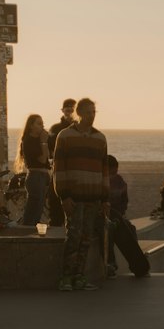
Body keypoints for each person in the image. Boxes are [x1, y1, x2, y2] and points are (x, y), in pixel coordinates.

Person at [52, 97, 110, 292]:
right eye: (88, 112)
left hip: (93, 197)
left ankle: (79, 276)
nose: (92, 115)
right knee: (73, 236)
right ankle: (66, 277)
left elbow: (104, 170)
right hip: (74, 197)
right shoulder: (65, 136)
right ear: (79, 113)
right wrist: (64, 195)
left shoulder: (100, 138)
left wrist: (105, 198)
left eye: (94, 112)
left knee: (86, 239)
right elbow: (58, 167)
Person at [105, 156, 150, 278]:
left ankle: (137, 260)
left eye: (116, 171)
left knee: (130, 228)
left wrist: (120, 212)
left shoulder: (120, 181)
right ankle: (111, 263)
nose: (114, 173)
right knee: (109, 231)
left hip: (117, 214)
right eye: (112, 171)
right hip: (105, 215)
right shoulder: (101, 181)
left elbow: (124, 200)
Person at [15, 113, 50, 226]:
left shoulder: (39, 140)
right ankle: (26, 230)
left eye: (42, 124)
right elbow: (42, 160)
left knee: (39, 208)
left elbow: (48, 157)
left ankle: (32, 230)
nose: (42, 126)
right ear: (31, 126)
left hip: (43, 176)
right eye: (39, 124)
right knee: (33, 209)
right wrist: (44, 142)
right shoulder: (28, 141)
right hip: (35, 176)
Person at [46, 99, 77, 226]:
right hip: (58, 168)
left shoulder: (81, 129)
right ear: (63, 110)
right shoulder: (56, 128)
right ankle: (55, 224)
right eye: (67, 110)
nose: (69, 113)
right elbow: (49, 147)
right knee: (55, 197)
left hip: (76, 169)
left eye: (72, 110)